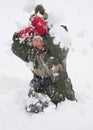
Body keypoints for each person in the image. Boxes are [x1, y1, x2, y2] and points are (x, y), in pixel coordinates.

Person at [11, 4, 76, 113]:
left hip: (62, 91)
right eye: (34, 39)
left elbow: (60, 47)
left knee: (67, 115)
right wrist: (21, 34)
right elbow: (15, 47)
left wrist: (46, 32)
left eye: (40, 39)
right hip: (40, 90)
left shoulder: (57, 47)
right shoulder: (31, 52)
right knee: (35, 114)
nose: (37, 42)